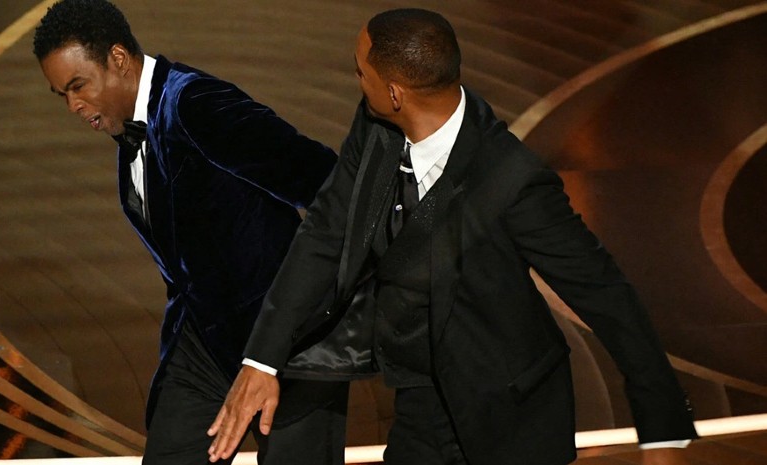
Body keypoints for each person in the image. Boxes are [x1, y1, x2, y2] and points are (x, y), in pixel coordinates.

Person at [208, 8, 698, 465]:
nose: (357, 79)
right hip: (421, 400)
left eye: (361, 72)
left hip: (509, 414)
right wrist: (261, 361)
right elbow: (325, 231)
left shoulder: (513, 181)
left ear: (395, 93)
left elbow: (602, 290)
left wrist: (663, 426)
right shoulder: (376, 125)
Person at [32, 1, 347, 464]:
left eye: (78, 86)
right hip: (204, 340)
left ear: (118, 59)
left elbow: (324, 182)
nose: (73, 106)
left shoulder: (196, 104)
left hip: (288, 340)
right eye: (61, 94)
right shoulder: (132, 134)